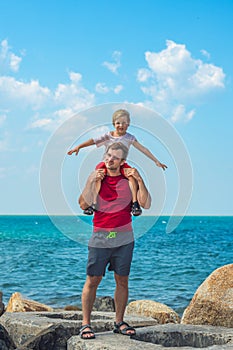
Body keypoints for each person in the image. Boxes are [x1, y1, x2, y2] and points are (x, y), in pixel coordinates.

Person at [78, 142, 151, 340]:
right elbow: (83, 204)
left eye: (115, 157)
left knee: (122, 280)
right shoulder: (97, 177)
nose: (110, 159)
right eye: (108, 156)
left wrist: (140, 179)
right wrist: (89, 181)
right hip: (101, 236)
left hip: (124, 237)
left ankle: (119, 322)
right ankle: (85, 324)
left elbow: (147, 204)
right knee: (93, 280)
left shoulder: (128, 180)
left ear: (122, 161)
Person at [68, 109, 166, 216]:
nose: (121, 125)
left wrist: (156, 161)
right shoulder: (108, 136)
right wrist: (79, 147)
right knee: (98, 176)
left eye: (124, 123)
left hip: (121, 164)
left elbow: (143, 149)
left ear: (128, 124)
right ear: (114, 124)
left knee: (131, 176)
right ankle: (94, 203)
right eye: (118, 123)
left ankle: (135, 203)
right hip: (106, 163)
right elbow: (93, 141)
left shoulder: (129, 138)